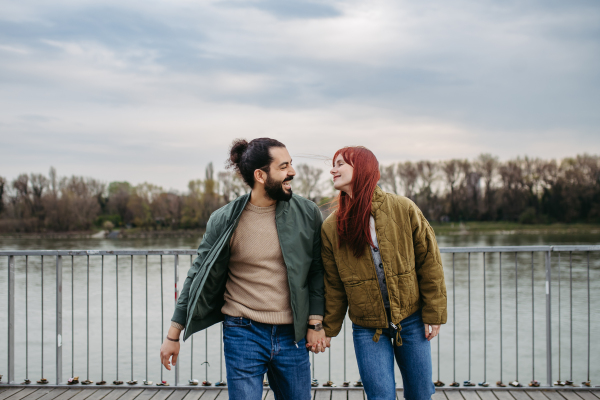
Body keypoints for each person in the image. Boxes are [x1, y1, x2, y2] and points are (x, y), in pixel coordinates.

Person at [159, 138, 327, 400]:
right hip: (242, 331)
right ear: (260, 175)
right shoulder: (224, 219)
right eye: (284, 166)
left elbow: (317, 272)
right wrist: (173, 335)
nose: (292, 172)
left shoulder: (308, 213)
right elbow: (197, 275)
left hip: (292, 334)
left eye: (291, 164)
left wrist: (315, 323)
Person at [321, 146, 447, 400]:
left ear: (363, 169)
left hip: (411, 320)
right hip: (367, 328)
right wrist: (326, 329)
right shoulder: (332, 226)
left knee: (421, 393)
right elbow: (334, 285)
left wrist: (434, 313)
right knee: (380, 396)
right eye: (333, 164)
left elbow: (430, 263)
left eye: (341, 163)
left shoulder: (403, 208)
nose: (333, 169)